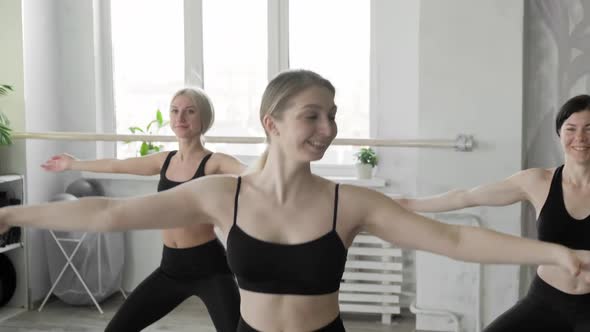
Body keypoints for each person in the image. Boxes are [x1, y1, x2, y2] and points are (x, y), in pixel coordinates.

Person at [3, 70, 590, 332]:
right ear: (272, 123)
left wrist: (556, 255)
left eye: (333, 115)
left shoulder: (349, 203)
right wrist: (10, 214)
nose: (328, 128)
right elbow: (107, 213)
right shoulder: (220, 194)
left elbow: (458, 239)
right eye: (313, 115)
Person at [41, 88, 245, 332]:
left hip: (210, 269)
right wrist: (73, 163)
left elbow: (252, 175)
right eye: (175, 110)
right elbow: (117, 165)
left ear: (204, 119)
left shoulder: (215, 162)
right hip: (171, 269)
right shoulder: (164, 160)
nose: (180, 118)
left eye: (190, 111)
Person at [395, 94, 590, 331]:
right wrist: (408, 204)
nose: (580, 137)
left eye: (589, 129)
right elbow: (466, 197)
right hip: (546, 299)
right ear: (560, 133)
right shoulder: (538, 181)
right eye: (571, 129)